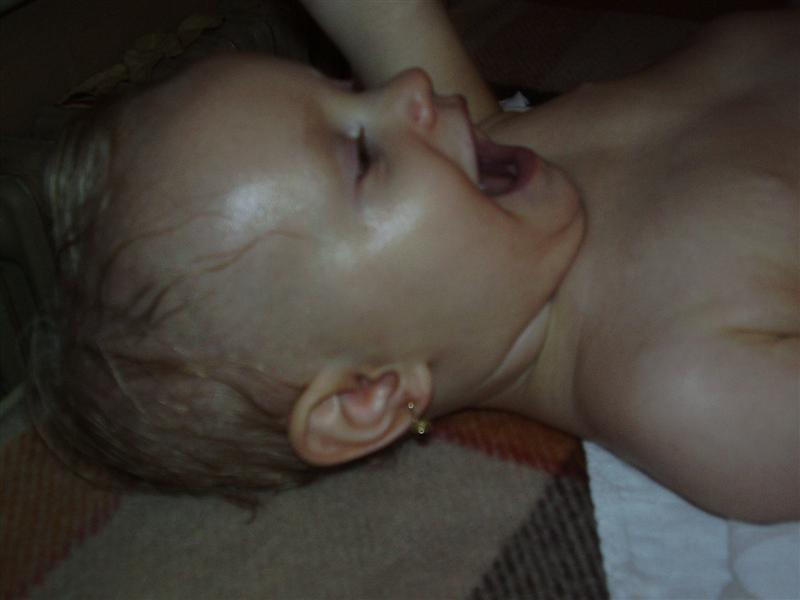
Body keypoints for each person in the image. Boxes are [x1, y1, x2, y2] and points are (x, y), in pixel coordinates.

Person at [28, 0, 798, 523]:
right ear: (370, 395)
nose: (407, 91)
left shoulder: (490, 157)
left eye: (345, 88)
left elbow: (386, 15)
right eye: (361, 157)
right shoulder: (687, 389)